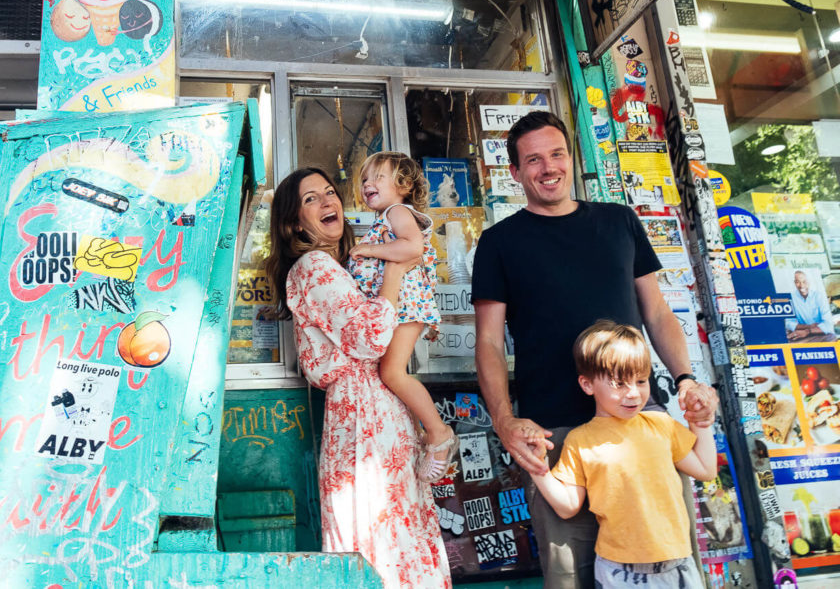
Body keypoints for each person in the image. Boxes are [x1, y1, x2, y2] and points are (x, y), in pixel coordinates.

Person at [471, 111, 719, 588]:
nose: (549, 167)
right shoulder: (499, 242)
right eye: (534, 159)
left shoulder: (619, 221)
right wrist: (504, 421)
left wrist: (685, 378)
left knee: (666, 564)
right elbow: (488, 342)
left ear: (571, 157)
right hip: (554, 435)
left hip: (640, 421)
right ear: (516, 171)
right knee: (572, 578)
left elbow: (658, 313)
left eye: (557, 154)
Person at [265, 167, 451, 589]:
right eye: (311, 199)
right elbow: (369, 336)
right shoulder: (313, 265)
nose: (328, 201)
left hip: (374, 408)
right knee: (380, 537)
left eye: (330, 192)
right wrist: (396, 271)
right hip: (363, 414)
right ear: (295, 222)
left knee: (388, 534)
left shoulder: (340, 266)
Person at [529, 321, 716, 588]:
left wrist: (700, 421)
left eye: (641, 381)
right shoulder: (580, 440)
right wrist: (538, 467)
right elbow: (568, 506)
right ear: (587, 384)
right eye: (619, 383)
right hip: (618, 571)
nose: (633, 393)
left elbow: (706, 469)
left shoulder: (660, 425)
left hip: (678, 565)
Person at [348, 152, 457, 482]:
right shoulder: (386, 217)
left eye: (379, 177)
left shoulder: (397, 212)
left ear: (404, 186)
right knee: (391, 372)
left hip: (408, 306)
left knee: (393, 373)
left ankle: (439, 433)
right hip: (401, 306)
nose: (369, 184)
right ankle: (426, 432)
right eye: (366, 179)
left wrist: (368, 250)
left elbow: (412, 247)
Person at [787, 270, 836, 342]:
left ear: (809, 282)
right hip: (801, 336)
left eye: (804, 282)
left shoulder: (819, 296)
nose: (801, 286)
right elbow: (788, 323)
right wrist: (808, 326)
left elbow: (829, 326)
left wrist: (807, 331)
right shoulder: (791, 298)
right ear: (794, 283)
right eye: (798, 282)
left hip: (824, 336)